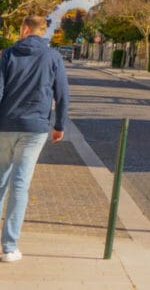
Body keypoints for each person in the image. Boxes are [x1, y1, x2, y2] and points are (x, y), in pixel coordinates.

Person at [0, 15, 70, 263]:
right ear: (42, 32)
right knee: (20, 186)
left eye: (21, 28)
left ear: (26, 28)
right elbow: (62, 94)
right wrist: (59, 125)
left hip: (5, 125)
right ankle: (9, 247)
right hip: (34, 128)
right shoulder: (53, 57)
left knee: (0, 182)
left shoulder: (8, 55)